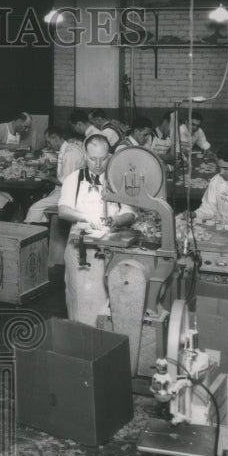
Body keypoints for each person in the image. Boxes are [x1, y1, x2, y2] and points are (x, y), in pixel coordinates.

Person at [57, 135, 136, 325]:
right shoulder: (73, 179)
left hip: (110, 250)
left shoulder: (117, 180)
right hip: (79, 250)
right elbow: (63, 210)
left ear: (110, 155)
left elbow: (131, 213)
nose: (98, 164)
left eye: (103, 158)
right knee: (79, 301)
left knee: (106, 300)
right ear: (85, 155)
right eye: (93, 159)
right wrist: (86, 217)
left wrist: (115, 220)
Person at [24, 126, 84, 223]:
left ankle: (34, 231)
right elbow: (67, 171)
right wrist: (53, 168)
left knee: (34, 209)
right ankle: (43, 226)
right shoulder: (67, 149)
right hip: (62, 190)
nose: (48, 145)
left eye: (48, 141)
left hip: (70, 194)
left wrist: (45, 176)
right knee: (41, 199)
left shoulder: (70, 153)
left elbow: (65, 182)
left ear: (55, 138)